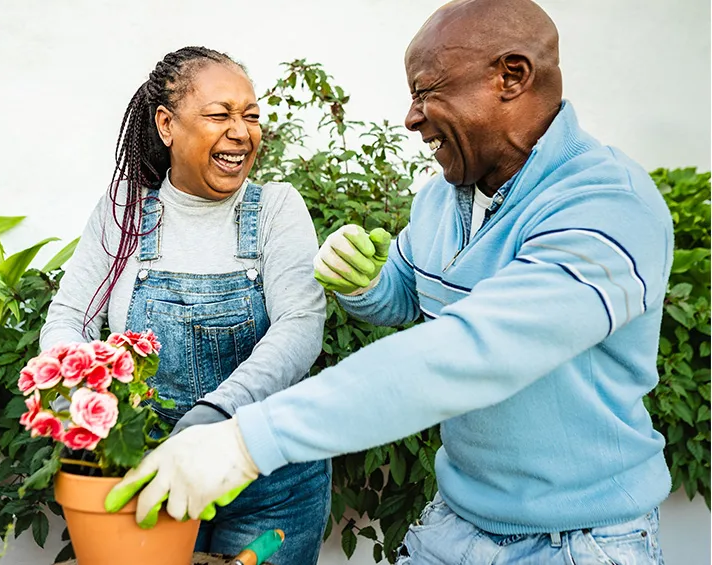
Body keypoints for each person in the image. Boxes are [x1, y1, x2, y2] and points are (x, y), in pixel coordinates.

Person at [108, 1, 675, 563]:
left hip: (578, 541)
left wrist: (246, 440)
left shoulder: (607, 206)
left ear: (511, 76)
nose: (411, 117)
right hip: (457, 523)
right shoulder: (443, 197)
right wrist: (364, 283)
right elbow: (405, 294)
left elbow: (474, 350)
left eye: (428, 91)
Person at [40, 46, 330, 563]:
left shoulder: (276, 208)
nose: (242, 132)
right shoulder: (125, 211)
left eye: (251, 115)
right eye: (220, 115)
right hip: (158, 479)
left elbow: (300, 325)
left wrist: (214, 414)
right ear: (167, 124)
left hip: (271, 481)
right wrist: (81, 400)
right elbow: (70, 317)